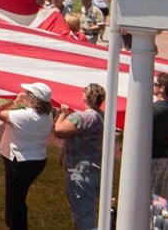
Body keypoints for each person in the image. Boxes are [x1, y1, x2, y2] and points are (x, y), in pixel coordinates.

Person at [0, 82, 53, 230]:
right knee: (18, 198)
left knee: (14, 201)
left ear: (33, 99)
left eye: (28, 93)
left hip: (20, 162)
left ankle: (15, 226)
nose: (25, 95)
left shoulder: (25, 116)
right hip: (36, 159)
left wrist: (16, 101)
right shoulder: (47, 116)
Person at [54, 83, 105, 230]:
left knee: (84, 218)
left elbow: (59, 131)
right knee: (86, 212)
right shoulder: (104, 117)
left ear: (86, 97)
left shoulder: (81, 118)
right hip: (96, 169)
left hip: (81, 172)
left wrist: (63, 114)